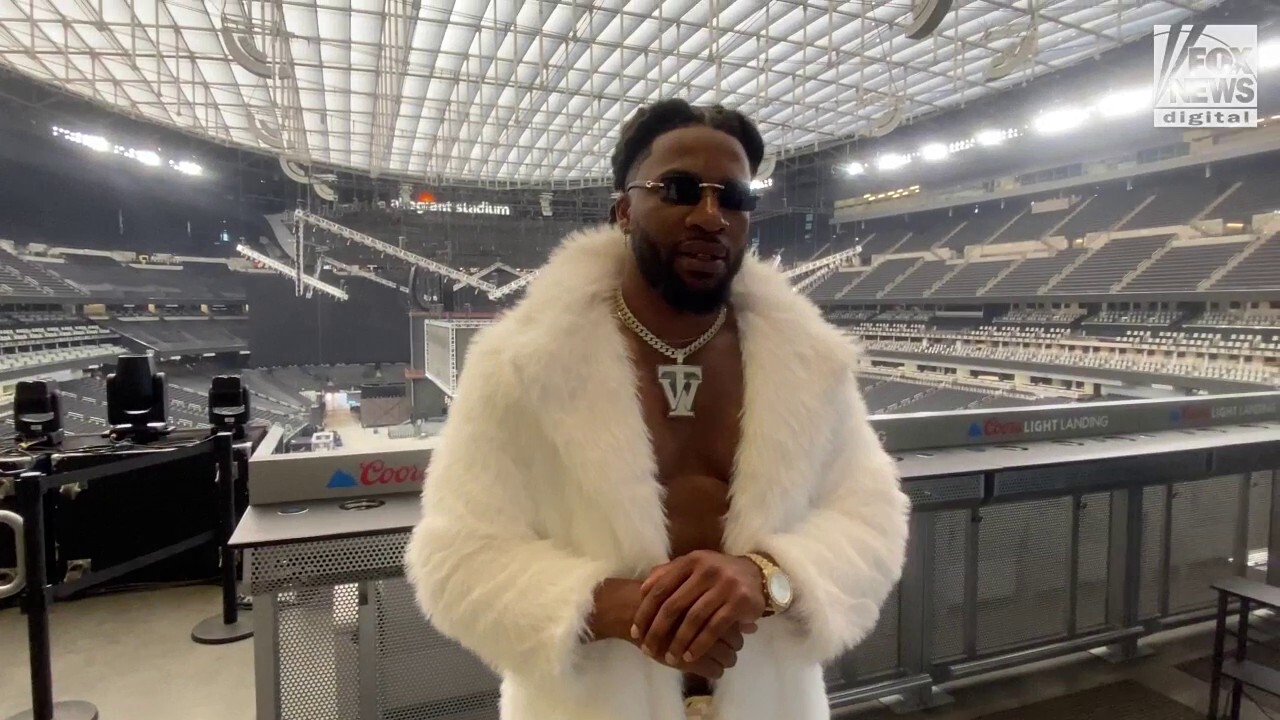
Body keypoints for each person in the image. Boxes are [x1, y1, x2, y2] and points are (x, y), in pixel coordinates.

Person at [405, 99, 910, 720]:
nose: (710, 216)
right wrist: (610, 606)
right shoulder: (523, 367)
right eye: (678, 190)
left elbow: (873, 520)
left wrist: (767, 576)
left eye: (733, 197)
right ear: (623, 210)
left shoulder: (811, 364)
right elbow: (455, 559)